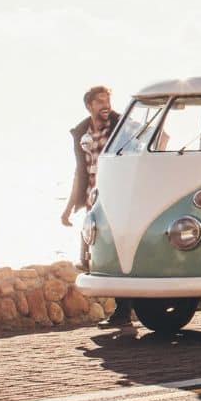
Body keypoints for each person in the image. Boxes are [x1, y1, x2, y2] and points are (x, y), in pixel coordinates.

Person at [65, 85, 134, 329]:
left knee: (116, 255)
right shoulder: (82, 132)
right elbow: (80, 171)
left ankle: (123, 311)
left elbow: (153, 143)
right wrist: (69, 207)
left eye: (108, 100)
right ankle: (122, 309)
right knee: (93, 258)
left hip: (116, 200)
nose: (106, 105)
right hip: (93, 203)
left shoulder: (122, 125)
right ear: (89, 105)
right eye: (100, 101)